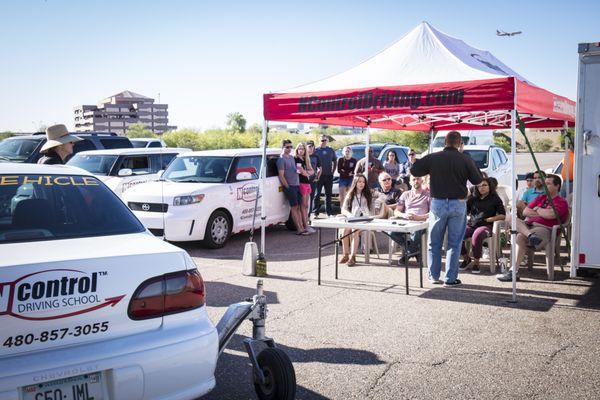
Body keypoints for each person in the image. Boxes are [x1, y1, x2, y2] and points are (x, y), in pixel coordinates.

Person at [410, 131, 483, 286]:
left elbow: (414, 171)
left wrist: (417, 160)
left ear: (445, 143)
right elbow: (477, 179)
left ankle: (434, 276)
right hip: (458, 204)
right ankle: (450, 279)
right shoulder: (465, 159)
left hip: (438, 203)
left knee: (434, 242)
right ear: (460, 144)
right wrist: (466, 160)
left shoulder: (434, 157)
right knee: (455, 243)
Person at [497, 174, 569, 281]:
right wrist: (542, 212)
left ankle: (513, 271)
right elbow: (525, 212)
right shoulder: (541, 197)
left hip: (545, 228)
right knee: (512, 218)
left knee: (520, 238)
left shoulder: (561, 202)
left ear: (557, 186)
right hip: (528, 227)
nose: (545, 186)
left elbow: (551, 215)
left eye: (548, 184)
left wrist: (537, 209)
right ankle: (530, 236)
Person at [459, 178, 506, 274]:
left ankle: (476, 262)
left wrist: (491, 219)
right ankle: (466, 259)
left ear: (489, 186)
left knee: (477, 234)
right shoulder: (473, 198)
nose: (481, 188)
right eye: (479, 186)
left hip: (486, 226)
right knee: (457, 234)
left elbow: (503, 215)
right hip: (472, 225)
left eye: (484, 185)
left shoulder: (495, 198)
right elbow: (465, 212)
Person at [391, 175, 430, 264]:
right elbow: (396, 211)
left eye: (418, 179)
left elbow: (432, 213)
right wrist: (404, 215)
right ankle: (415, 251)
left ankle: (407, 255)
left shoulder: (428, 195)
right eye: (414, 179)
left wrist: (419, 217)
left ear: (422, 181)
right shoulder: (405, 194)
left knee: (416, 232)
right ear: (410, 182)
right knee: (392, 233)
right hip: (406, 222)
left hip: (421, 223)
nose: (416, 181)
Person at [277, 139, 309, 235]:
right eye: (287, 147)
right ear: (282, 147)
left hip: (297, 185)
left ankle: (302, 227)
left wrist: (302, 171)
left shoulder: (291, 157)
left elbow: (296, 169)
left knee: (299, 207)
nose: (290, 148)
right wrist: (287, 187)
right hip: (290, 186)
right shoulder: (281, 160)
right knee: (294, 207)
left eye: (291, 146)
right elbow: (281, 176)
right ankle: (299, 229)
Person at [340, 174, 372, 266]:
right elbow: (343, 209)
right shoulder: (350, 194)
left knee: (355, 231)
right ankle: (345, 254)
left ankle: (353, 256)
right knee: (345, 230)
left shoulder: (367, 194)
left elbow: (367, 211)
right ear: (355, 183)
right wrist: (350, 215)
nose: (362, 184)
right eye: (359, 182)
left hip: (364, 220)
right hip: (352, 219)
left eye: (363, 182)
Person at [312, 134, 337, 217]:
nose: (323, 142)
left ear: (327, 141)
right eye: (322, 140)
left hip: (329, 175)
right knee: (317, 194)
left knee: (328, 194)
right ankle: (315, 212)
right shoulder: (315, 150)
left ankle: (329, 212)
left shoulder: (330, 150)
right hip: (319, 176)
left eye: (325, 140)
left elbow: (335, 161)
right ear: (319, 141)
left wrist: (333, 172)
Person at [295, 142, 315, 234]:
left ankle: (306, 225)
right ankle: (305, 226)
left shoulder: (305, 159)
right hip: (301, 183)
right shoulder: (296, 159)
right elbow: (299, 171)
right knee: (303, 206)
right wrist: (306, 172)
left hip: (307, 183)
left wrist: (306, 172)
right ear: (297, 150)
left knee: (306, 206)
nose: (301, 150)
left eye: (302, 148)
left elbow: (312, 171)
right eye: (299, 148)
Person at [306, 140, 322, 219]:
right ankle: (304, 216)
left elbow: (320, 168)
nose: (311, 148)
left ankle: (308, 216)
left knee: (311, 198)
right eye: (309, 146)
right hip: (303, 181)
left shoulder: (316, 157)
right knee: (304, 200)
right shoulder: (303, 156)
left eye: (312, 147)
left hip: (313, 181)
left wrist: (317, 177)